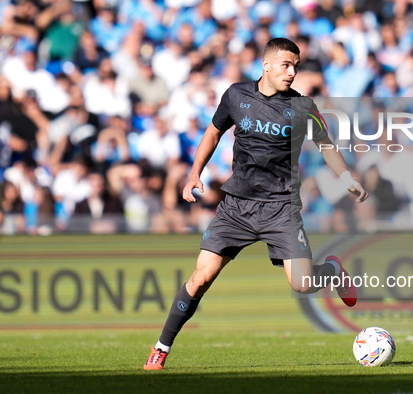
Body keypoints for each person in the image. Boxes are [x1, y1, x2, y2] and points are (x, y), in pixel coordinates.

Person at [143, 38, 368, 370]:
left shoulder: (303, 106)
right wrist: (194, 175)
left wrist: (346, 177)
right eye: (285, 65)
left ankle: (331, 270)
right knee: (201, 277)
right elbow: (212, 132)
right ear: (266, 65)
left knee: (303, 284)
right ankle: (161, 348)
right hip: (236, 206)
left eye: (296, 66)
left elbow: (325, 144)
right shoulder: (236, 95)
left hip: (280, 207)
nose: (292, 73)